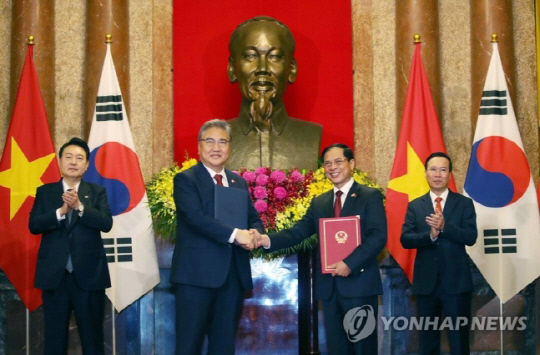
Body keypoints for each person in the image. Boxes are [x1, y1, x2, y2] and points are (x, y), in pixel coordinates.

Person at [257, 143, 387, 355]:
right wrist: (264, 240)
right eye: (327, 163)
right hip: (329, 288)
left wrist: (349, 263)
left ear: (351, 164)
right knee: (336, 348)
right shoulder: (320, 202)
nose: (332, 167)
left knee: (363, 347)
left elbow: (378, 237)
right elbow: (297, 232)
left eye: (338, 161)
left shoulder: (369, 196)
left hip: (359, 285)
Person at [170, 119, 264, 355]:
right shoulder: (186, 180)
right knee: (188, 345)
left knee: (223, 346)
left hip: (231, 277)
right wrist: (236, 234)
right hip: (195, 278)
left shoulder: (238, 182)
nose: (216, 147)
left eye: (222, 142)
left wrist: (255, 233)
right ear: (199, 146)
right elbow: (195, 217)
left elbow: (252, 217)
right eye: (209, 141)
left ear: (230, 147)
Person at [29, 137, 112, 355]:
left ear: (86, 165)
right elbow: (34, 225)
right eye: (68, 157)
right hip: (55, 278)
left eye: (79, 158)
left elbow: (106, 223)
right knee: (54, 340)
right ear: (59, 161)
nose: (73, 162)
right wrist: (60, 212)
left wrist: (80, 206)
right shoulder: (45, 192)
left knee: (92, 340)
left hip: (89, 277)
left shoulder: (96, 192)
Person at [400, 152, 477, 355]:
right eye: (433, 169)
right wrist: (430, 236)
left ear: (450, 174)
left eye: (443, 170)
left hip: (457, 283)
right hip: (426, 284)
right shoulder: (415, 206)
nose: (437, 174)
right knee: (427, 342)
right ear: (425, 173)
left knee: (459, 341)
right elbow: (405, 239)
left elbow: (471, 236)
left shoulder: (464, 204)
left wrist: (445, 227)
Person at [226, 16, 322, 170]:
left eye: (274, 57)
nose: (262, 68)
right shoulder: (213, 139)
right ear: (232, 68)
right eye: (250, 56)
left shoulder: (312, 136)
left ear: (291, 69)